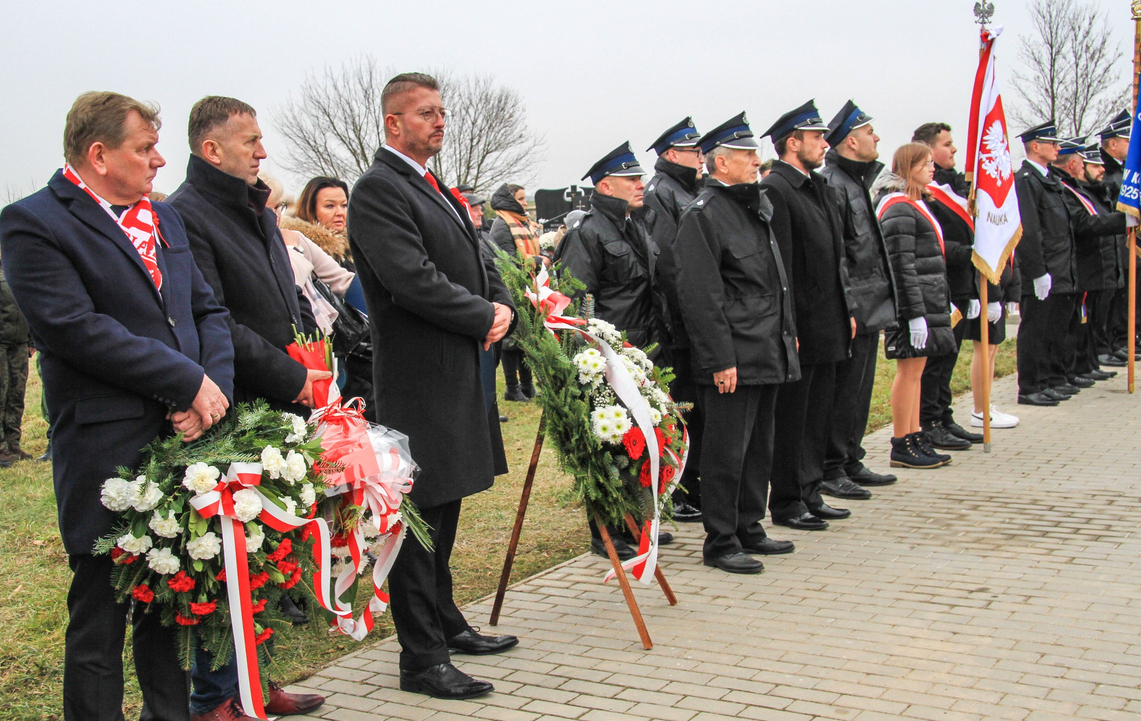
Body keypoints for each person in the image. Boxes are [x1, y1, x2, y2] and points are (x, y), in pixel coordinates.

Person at [0, 91, 235, 721]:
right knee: (101, 611)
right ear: (99, 155)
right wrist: (183, 381)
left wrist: (209, 393)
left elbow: (207, 310)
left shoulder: (165, 219)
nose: (161, 160)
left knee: (170, 600)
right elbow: (74, 327)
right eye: (145, 148)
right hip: (105, 444)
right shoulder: (33, 222)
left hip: (186, 438)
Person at [347, 72, 519, 701]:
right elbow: (409, 279)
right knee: (417, 523)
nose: (440, 122)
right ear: (393, 123)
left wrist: (501, 306)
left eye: (442, 112)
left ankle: (445, 622)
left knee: (444, 510)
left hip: (456, 372)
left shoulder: (431, 185)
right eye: (426, 114)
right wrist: (482, 316)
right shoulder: (377, 190)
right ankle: (421, 658)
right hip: (419, 380)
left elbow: (478, 259)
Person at [167, 96, 327, 721]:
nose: (263, 152)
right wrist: (292, 376)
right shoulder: (185, 214)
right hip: (239, 402)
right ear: (212, 150)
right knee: (228, 554)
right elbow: (219, 321)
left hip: (285, 397)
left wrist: (316, 356)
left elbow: (287, 299)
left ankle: (256, 682)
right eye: (250, 141)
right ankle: (214, 698)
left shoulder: (254, 209)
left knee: (268, 555)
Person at [674, 112, 797, 574]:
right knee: (725, 451)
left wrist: (788, 336)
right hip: (732, 356)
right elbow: (700, 296)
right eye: (747, 155)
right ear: (719, 164)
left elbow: (773, 284)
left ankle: (750, 525)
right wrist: (720, 358)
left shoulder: (754, 207)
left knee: (759, 445)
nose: (755, 161)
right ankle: (721, 540)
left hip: (765, 348)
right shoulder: (703, 216)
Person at [554, 141, 673, 560]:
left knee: (642, 439)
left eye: (640, 178)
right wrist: (594, 361)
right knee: (611, 444)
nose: (641, 185)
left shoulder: (632, 225)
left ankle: (637, 520)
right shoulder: (587, 233)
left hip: (643, 351)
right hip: (608, 358)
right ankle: (607, 532)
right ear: (606, 185)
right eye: (631, 179)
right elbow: (575, 304)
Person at [760, 100, 856, 530]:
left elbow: (834, 257)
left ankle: (810, 490)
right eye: (816, 137)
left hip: (829, 319)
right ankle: (787, 500)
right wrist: (789, 324)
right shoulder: (778, 189)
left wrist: (846, 309)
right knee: (794, 418)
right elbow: (781, 267)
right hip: (802, 323)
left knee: (818, 413)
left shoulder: (818, 186)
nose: (824, 143)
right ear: (792, 142)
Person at [818, 101, 899, 495]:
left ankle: (851, 457)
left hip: (869, 303)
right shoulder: (834, 183)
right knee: (843, 393)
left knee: (861, 390)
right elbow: (839, 255)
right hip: (854, 306)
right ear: (852, 141)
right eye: (870, 131)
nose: (877, 137)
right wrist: (847, 306)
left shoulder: (855, 181)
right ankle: (832, 468)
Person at [873, 143, 958, 468]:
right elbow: (901, 264)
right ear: (907, 168)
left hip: (928, 300)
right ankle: (900, 441)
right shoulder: (897, 207)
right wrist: (914, 314)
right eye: (924, 164)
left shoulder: (914, 203)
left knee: (917, 372)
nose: (931, 168)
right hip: (914, 305)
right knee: (908, 372)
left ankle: (914, 434)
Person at [644, 117, 705, 522]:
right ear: (671, 154)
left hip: (694, 323)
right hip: (679, 325)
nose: (702, 157)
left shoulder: (688, 189)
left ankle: (693, 483)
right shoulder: (662, 193)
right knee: (681, 411)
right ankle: (681, 490)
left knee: (696, 409)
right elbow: (670, 264)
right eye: (694, 151)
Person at [912, 122, 983, 450]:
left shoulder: (952, 186)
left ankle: (943, 415)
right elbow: (935, 243)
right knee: (935, 359)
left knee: (949, 357)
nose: (954, 149)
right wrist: (970, 253)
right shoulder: (925, 192)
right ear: (928, 150)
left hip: (960, 285)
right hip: (941, 286)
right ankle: (928, 421)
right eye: (947, 144)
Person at [1013, 122, 1080, 407]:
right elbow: (1030, 230)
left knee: (1051, 330)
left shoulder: (1049, 179)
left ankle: (1047, 380)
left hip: (1057, 268)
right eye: (1051, 143)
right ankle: (1030, 387)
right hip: (1040, 270)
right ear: (1035, 146)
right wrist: (1038, 271)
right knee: (1035, 331)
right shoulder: (1027, 180)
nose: (1057, 148)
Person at [1050, 137, 1127, 386]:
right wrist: (1124, 219)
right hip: (1081, 267)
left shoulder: (1089, 193)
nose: (1100, 169)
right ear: (1073, 164)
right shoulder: (1071, 192)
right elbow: (1084, 225)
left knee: (1091, 321)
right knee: (1079, 324)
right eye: (1089, 165)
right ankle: (1074, 369)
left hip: (1098, 268)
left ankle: (1087, 363)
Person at [489, 183, 540, 402]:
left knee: (524, 340)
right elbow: (508, 262)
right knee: (511, 342)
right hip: (511, 289)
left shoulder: (522, 223)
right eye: (520, 199)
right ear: (510, 201)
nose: (524, 203)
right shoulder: (503, 225)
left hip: (527, 288)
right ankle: (512, 388)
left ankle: (527, 386)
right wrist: (537, 261)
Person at [1081, 143, 1128, 371]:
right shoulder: (1082, 192)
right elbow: (1089, 223)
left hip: (1108, 260)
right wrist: (1124, 220)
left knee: (1107, 308)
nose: (1101, 170)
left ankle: (1102, 350)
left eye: (1102, 165)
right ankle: (1098, 352)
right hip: (1089, 264)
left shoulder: (1099, 190)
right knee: (1092, 314)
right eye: (1095, 165)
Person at [1100, 111, 1135, 363]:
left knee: (1125, 298)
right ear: (1112, 143)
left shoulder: (1124, 172)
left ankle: (1124, 338)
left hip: (1127, 245)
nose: (1132, 146)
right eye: (1126, 141)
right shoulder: (1106, 173)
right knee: (1112, 301)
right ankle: (1112, 342)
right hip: (1114, 246)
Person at [286, 176, 354, 270]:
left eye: (344, 205)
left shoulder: (355, 245)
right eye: (330, 206)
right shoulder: (297, 248)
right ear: (311, 209)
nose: (340, 213)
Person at [0, 265, 31, 465]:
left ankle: (13, 444)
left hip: (18, 342)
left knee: (15, 395)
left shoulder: (12, 267)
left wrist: (31, 340)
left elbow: (27, 304)